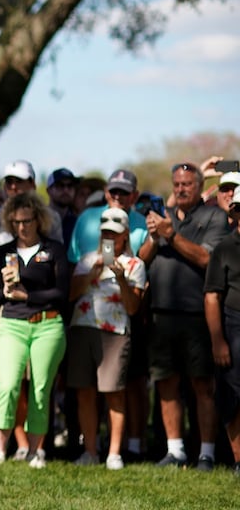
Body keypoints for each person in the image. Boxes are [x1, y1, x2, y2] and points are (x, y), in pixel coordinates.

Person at [139, 162, 231, 470]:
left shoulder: (214, 216)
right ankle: (175, 449)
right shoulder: (164, 217)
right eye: (176, 184)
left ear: (199, 186)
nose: (180, 189)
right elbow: (141, 261)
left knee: (202, 386)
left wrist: (172, 236)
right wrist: (155, 236)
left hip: (196, 315)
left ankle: (206, 452)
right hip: (160, 314)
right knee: (166, 383)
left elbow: (207, 258)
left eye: (187, 185)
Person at [0, 192, 68, 469]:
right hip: (12, 324)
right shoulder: (2, 253)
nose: (22, 226)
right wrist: (7, 290)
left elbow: (62, 293)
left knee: (40, 389)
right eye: (17, 222)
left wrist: (28, 296)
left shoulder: (54, 249)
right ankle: (0, 449)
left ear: (38, 219)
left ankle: (36, 451)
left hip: (47, 324)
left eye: (27, 220)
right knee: (8, 385)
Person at [66, 208, 145, 470]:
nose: (109, 236)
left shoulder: (135, 265)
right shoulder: (88, 260)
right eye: (105, 232)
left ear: (125, 236)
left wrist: (121, 278)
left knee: (114, 394)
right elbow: (71, 295)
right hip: (83, 328)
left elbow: (133, 307)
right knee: (85, 394)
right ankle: (90, 451)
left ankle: (113, 453)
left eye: (115, 232)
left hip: (115, 333)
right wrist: (93, 272)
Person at [204, 192, 240, 476]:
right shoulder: (225, 248)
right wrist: (218, 341)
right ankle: (239, 462)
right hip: (232, 325)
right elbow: (212, 297)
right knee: (232, 400)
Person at [47, 168, 79, 245]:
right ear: (49, 190)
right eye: (60, 185)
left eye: (70, 186)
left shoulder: (78, 221)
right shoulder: (39, 220)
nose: (66, 190)